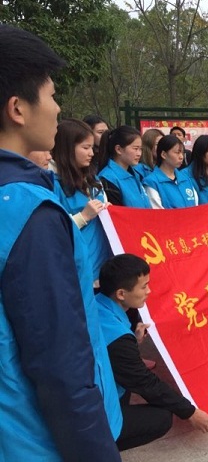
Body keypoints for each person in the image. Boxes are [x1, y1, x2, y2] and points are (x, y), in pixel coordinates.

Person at [0, 24, 121, 460]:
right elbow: (61, 362)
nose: (57, 109)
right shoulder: (28, 210)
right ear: (18, 108)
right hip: (36, 440)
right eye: (52, 96)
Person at [96, 254, 208, 450]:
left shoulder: (97, 303)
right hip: (90, 410)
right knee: (161, 418)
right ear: (121, 293)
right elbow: (144, 382)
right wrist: (190, 412)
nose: (149, 291)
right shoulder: (118, 340)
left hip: (87, 387)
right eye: (143, 287)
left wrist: (132, 342)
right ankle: (98, 449)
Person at [51, 118, 112, 283]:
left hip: (104, 266)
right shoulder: (53, 184)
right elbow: (52, 231)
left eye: (92, 147)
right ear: (67, 148)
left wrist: (108, 209)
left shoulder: (93, 179)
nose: (91, 153)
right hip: (79, 271)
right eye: (85, 148)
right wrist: (83, 216)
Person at [98, 125, 152, 208]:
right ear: (118, 149)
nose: (139, 154)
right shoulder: (107, 179)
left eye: (140, 149)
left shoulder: (135, 174)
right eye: (135, 148)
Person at [143, 133, 198, 209]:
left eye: (182, 153)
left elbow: (195, 208)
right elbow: (157, 212)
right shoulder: (152, 182)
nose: (181, 157)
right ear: (164, 154)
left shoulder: (185, 179)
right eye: (177, 152)